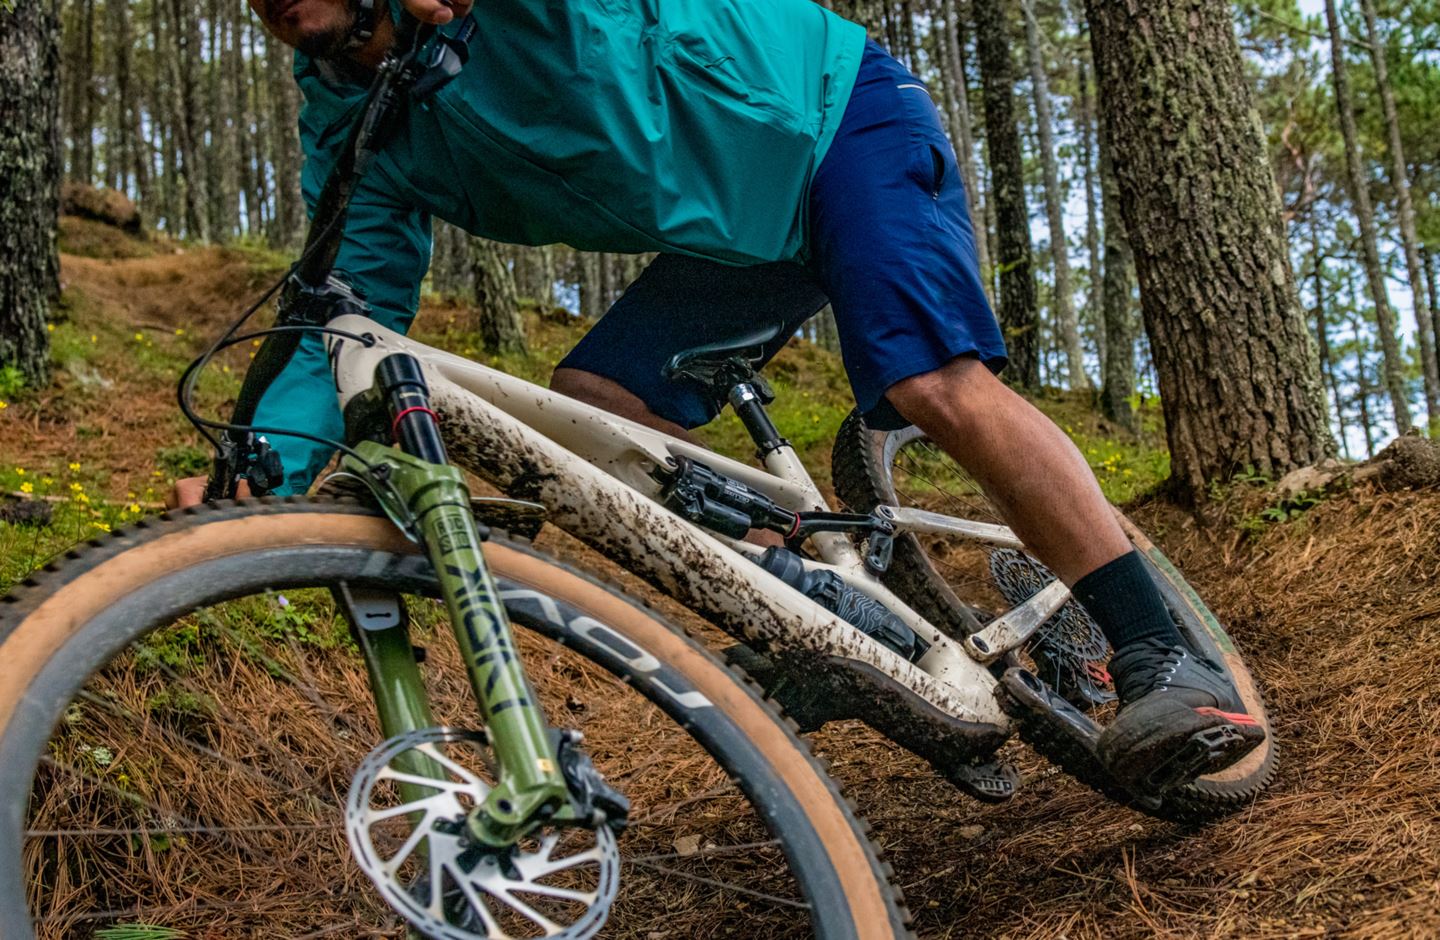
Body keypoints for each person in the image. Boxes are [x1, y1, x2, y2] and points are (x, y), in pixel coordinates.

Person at [222, 0, 1265, 793]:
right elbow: (348, 303)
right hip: (736, 234)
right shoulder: (354, 111)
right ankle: (823, 609)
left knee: (929, 381)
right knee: (593, 407)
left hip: (832, 120)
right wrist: (262, 473)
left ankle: (1161, 648)